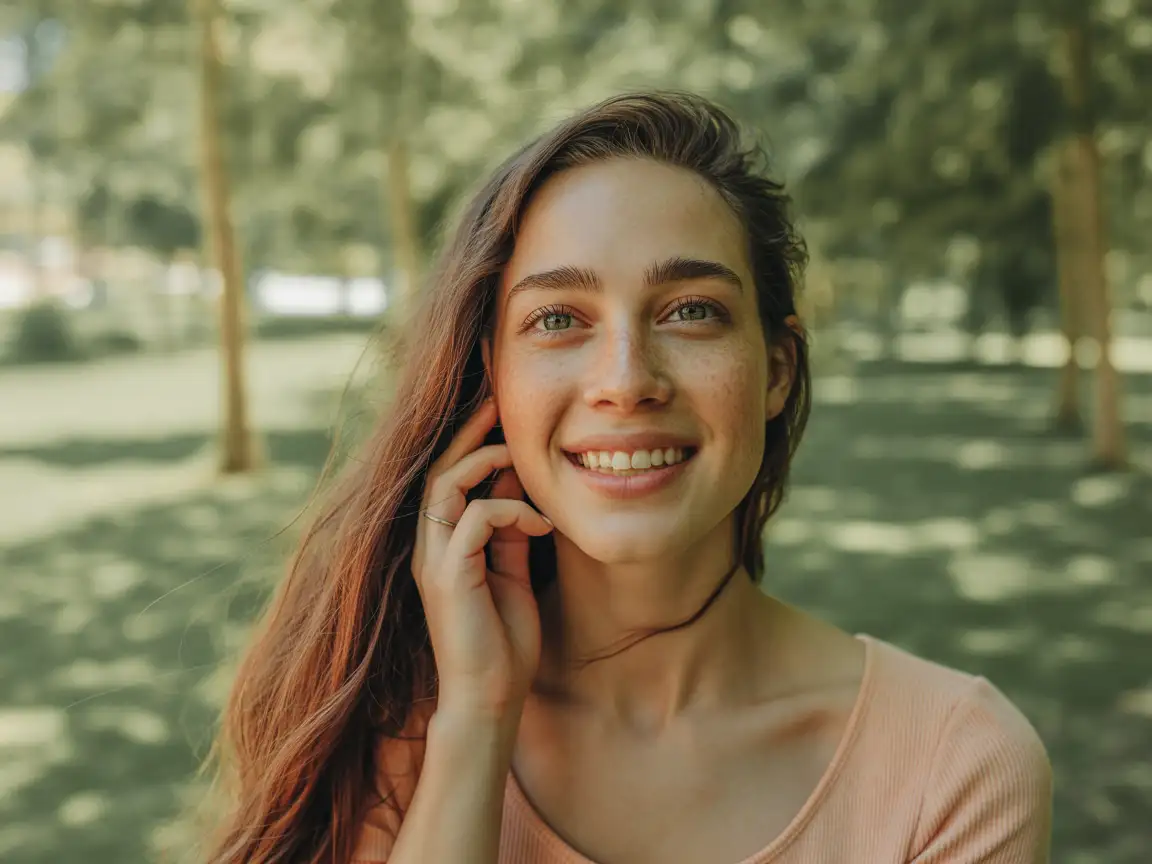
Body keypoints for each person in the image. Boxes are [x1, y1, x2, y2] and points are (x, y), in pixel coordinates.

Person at [200, 92, 1053, 863]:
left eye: (691, 311)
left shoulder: (955, 764)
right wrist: (474, 724)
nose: (625, 378)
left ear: (778, 370)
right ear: (492, 376)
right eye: (559, 318)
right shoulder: (391, 734)